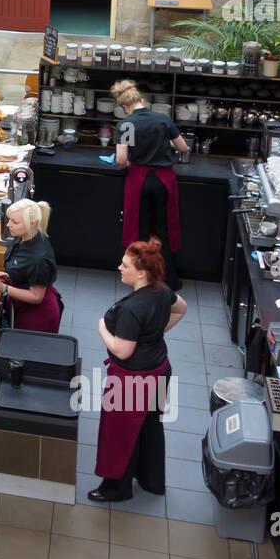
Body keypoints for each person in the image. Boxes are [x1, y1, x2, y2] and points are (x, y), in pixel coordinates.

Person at [91, 238, 188, 502]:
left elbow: (122, 351)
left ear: (141, 272)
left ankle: (116, 489)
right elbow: (181, 308)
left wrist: (101, 326)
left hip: (131, 382)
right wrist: (154, 335)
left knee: (119, 435)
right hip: (159, 370)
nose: (119, 268)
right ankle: (151, 480)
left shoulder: (131, 309)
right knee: (150, 427)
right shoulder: (161, 290)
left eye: (125, 265)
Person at [112, 78, 189, 292]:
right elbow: (182, 147)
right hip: (164, 180)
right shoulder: (162, 119)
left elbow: (120, 160)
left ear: (124, 106)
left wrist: (127, 163)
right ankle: (169, 280)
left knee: (140, 231)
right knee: (165, 230)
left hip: (139, 180)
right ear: (142, 100)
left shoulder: (126, 124)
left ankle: (142, 281)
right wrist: (166, 141)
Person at [0, 199, 63, 333]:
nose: (8, 224)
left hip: (37, 317)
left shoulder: (38, 259)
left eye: (15, 222)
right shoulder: (26, 235)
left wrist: (4, 288)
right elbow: (26, 269)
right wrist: (13, 276)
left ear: (32, 223)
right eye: (9, 219)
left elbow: (36, 297)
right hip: (22, 303)